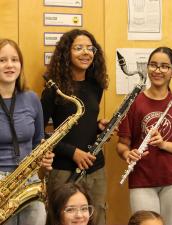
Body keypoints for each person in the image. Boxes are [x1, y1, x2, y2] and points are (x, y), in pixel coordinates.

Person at [116, 46, 172, 225]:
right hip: (142, 180)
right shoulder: (134, 103)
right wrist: (127, 154)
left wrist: (163, 144)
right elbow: (121, 144)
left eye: (165, 66)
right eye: (153, 65)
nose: (158, 70)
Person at [41, 29, 108, 225]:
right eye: (78, 48)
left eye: (90, 48)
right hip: (63, 169)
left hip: (95, 166)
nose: (86, 52)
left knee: (97, 217)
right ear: (66, 53)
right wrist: (73, 153)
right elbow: (40, 135)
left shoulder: (96, 85)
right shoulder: (53, 90)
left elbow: (83, 125)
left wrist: (98, 127)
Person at [0, 38, 54, 225]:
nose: (9, 65)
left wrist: (44, 161)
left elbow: (38, 141)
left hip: (28, 180)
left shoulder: (31, 99)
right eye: (2, 60)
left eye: (14, 60)